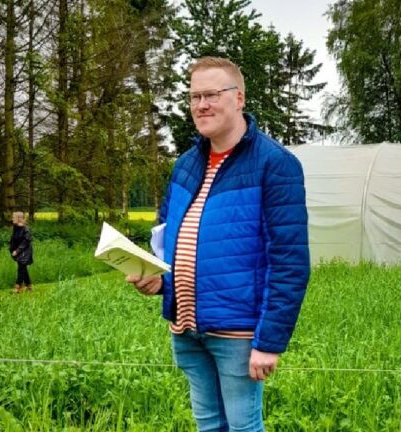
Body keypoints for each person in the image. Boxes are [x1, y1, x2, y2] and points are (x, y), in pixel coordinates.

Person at [127, 56, 310, 431]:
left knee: (243, 427)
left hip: (238, 333)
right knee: (208, 425)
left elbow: (289, 262)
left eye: (211, 94)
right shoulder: (185, 165)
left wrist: (269, 342)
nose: (201, 105)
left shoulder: (275, 164)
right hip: (186, 327)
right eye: (194, 96)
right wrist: (158, 280)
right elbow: (166, 236)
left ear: (239, 98)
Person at [9, 211, 34, 293]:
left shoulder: (26, 229)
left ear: (19, 218)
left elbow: (26, 241)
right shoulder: (15, 227)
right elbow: (14, 239)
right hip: (18, 250)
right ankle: (29, 286)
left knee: (21, 268)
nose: (12, 218)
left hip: (25, 250)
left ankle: (17, 287)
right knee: (23, 268)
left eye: (14, 217)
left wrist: (17, 250)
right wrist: (12, 249)